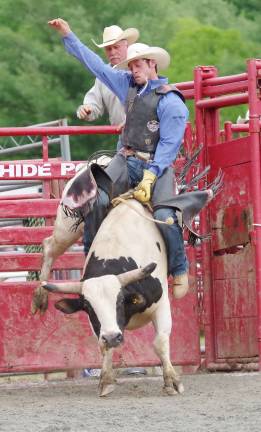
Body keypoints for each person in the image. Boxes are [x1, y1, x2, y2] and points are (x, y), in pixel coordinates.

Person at [48, 18, 189, 298]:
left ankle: (179, 267)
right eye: (131, 66)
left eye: (138, 66)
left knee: (165, 215)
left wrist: (150, 176)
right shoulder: (127, 85)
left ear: (152, 65)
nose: (133, 70)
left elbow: (170, 145)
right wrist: (69, 36)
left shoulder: (172, 102)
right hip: (126, 160)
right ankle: (93, 261)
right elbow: (96, 66)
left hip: (155, 167)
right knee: (96, 199)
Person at [76, 25, 139, 140]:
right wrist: (87, 109)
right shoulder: (102, 78)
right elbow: (94, 105)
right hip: (123, 137)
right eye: (108, 49)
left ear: (127, 46)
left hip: (143, 133)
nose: (112, 52)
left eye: (116, 47)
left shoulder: (139, 70)